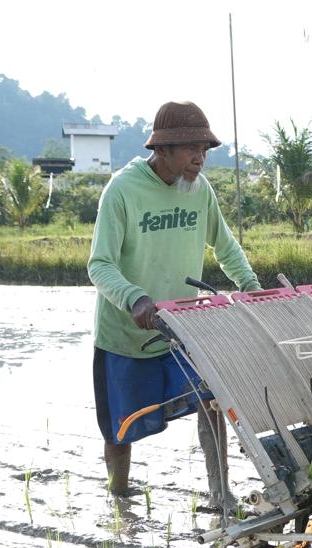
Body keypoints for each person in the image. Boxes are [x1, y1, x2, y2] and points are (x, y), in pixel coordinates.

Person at [88, 100, 260, 512]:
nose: (199, 159)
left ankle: (220, 494)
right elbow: (100, 264)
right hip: (126, 334)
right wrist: (135, 298)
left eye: (204, 150)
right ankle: (119, 501)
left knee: (211, 400)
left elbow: (225, 246)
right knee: (119, 430)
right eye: (190, 150)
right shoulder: (123, 190)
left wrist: (251, 287)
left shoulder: (200, 190)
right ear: (161, 150)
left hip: (183, 329)